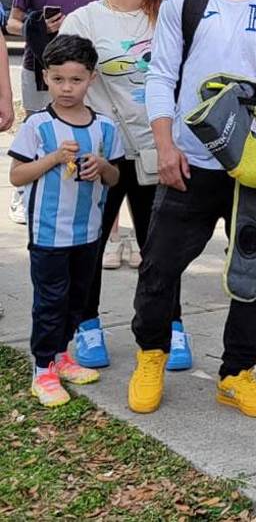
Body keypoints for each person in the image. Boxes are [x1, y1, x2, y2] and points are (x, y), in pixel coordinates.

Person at [127, 0, 256, 418]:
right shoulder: (187, 0)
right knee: (159, 266)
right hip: (191, 162)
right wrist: (165, 146)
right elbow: (160, 76)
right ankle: (151, 354)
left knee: (253, 275)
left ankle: (237, 373)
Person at [59, 0, 185, 371]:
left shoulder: (168, 16)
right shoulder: (86, 21)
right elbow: (64, 84)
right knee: (90, 244)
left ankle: (171, 326)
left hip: (158, 149)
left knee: (162, 249)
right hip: (102, 153)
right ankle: (87, 324)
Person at [10, 34, 123, 406]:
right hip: (48, 234)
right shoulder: (38, 126)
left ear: (92, 78)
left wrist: (101, 165)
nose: (67, 87)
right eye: (58, 79)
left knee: (77, 299)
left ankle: (61, 356)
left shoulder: (105, 127)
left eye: (76, 79)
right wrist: (54, 158)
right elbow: (17, 175)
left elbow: (115, 178)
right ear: (45, 77)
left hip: (88, 232)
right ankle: (42, 368)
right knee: (50, 302)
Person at [6, 0, 105, 225]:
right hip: (38, 68)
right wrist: (37, 25)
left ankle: (68, 191)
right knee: (35, 126)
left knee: (74, 129)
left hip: (79, 73)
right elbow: (12, 23)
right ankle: (22, 193)